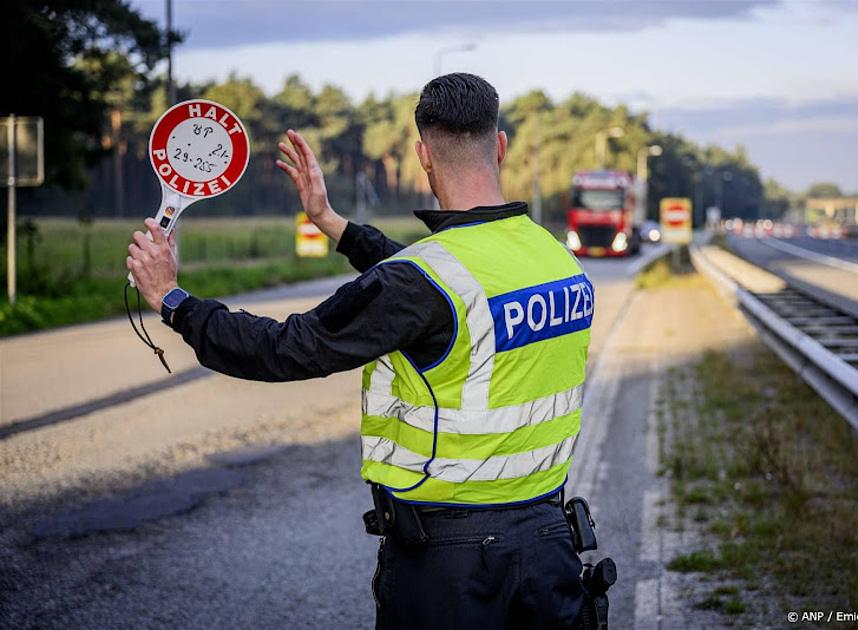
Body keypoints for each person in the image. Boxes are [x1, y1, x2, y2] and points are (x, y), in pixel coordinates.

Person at [127, 73, 597, 629]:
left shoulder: (423, 283)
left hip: (454, 567)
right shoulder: (553, 258)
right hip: (549, 549)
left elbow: (284, 349)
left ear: (422, 155)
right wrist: (332, 223)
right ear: (500, 146)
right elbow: (443, 284)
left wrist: (174, 300)